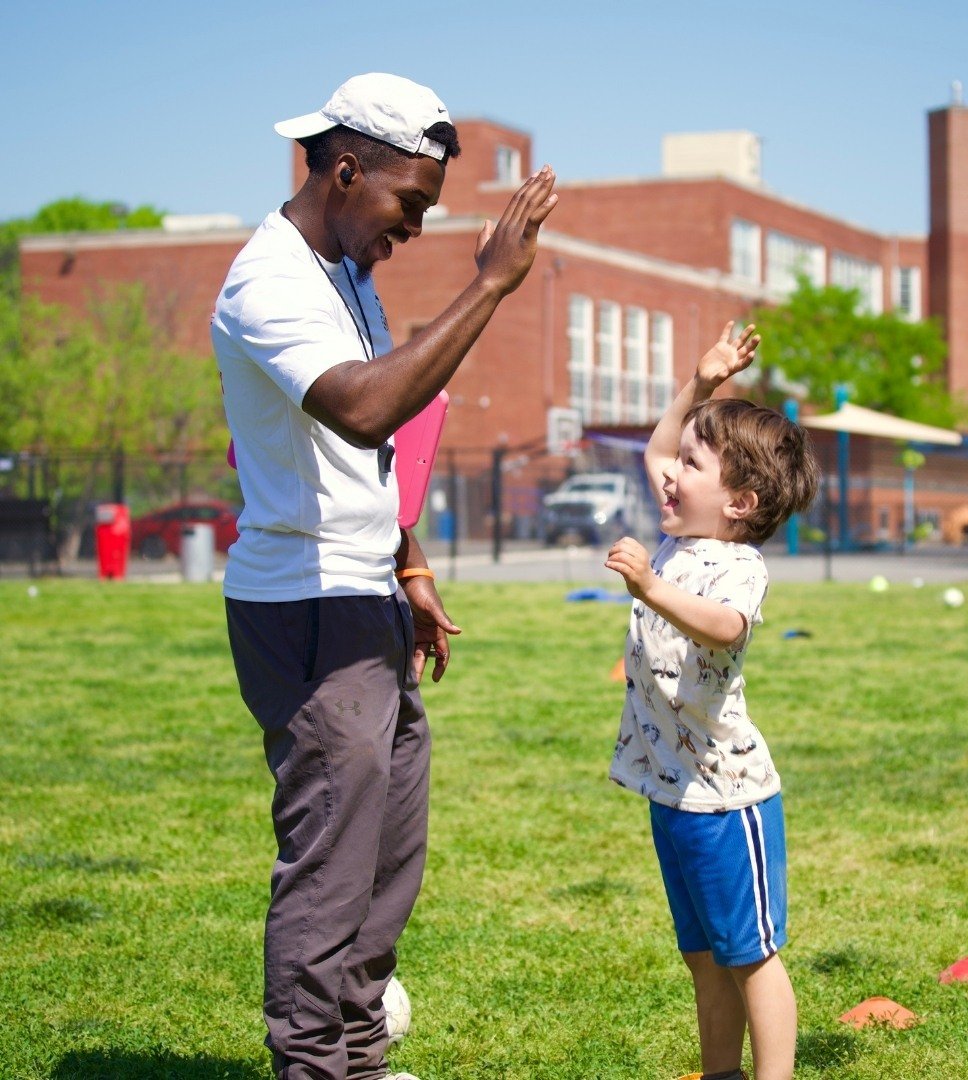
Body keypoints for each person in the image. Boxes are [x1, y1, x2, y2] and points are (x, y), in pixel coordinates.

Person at [211, 72, 557, 1080]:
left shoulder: (344, 271)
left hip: (362, 595)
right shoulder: (269, 279)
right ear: (346, 169)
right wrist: (490, 282)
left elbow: (374, 445)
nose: (410, 230)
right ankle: (313, 1067)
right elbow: (362, 408)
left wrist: (407, 563)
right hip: (305, 610)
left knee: (388, 855)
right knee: (332, 865)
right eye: (408, 205)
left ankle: (358, 1056)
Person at [604, 323, 818, 1080]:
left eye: (692, 466)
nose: (669, 475)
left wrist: (652, 589)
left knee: (750, 957)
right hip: (673, 794)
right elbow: (658, 447)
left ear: (739, 501)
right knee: (702, 957)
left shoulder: (735, 566)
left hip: (729, 802)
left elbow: (725, 629)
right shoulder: (680, 534)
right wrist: (701, 385)